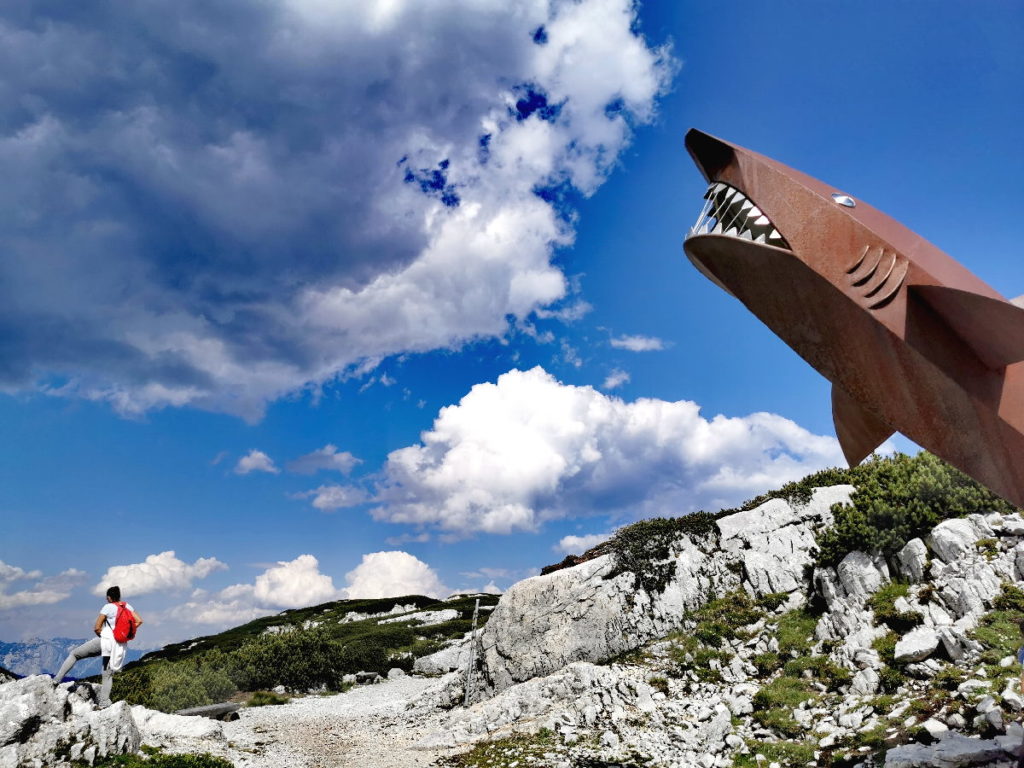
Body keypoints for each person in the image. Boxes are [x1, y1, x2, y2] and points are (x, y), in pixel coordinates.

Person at [52, 586, 143, 707]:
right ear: (119, 596)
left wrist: (104, 634)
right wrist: (124, 633)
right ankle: (104, 702)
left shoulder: (108, 607)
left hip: (105, 642)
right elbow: (139, 621)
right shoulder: (128, 606)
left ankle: (56, 681)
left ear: (109, 597)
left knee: (75, 654)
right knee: (108, 674)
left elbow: (97, 627)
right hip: (119, 645)